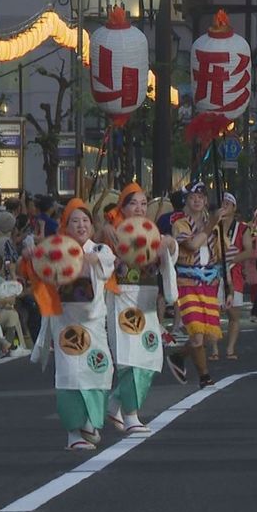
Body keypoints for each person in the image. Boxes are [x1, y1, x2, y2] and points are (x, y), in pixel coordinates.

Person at [26, 198, 116, 450]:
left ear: (92, 225)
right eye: (74, 221)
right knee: (70, 376)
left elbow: (107, 266)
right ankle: (74, 433)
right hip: (66, 323)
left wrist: (92, 260)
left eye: (85, 220)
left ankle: (89, 421)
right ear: (65, 225)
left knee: (100, 371)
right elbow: (36, 272)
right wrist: (34, 256)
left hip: (93, 323)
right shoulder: (54, 250)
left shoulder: (101, 250)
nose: (80, 225)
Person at [103, 183, 178, 435]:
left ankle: (115, 402)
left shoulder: (153, 232)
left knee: (150, 357)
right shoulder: (112, 232)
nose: (139, 208)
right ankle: (131, 414)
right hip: (122, 298)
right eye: (133, 203)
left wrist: (169, 245)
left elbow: (169, 258)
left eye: (144, 203)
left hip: (146, 300)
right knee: (129, 358)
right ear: (122, 207)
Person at [167, 183, 222, 388]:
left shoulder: (214, 224)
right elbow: (191, 246)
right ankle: (205, 377)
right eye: (192, 197)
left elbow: (221, 255)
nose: (197, 200)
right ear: (186, 201)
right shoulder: (180, 224)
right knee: (197, 335)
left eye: (201, 196)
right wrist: (211, 225)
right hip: (187, 283)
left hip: (209, 283)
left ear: (206, 201)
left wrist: (229, 287)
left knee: (208, 336)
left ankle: (179, 356)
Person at [209, 193, 251, 361]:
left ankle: (230, 348)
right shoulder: (213, 226)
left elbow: (248, 250)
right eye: (222, 203)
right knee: (214, 313)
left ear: (234, 207)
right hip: (214, 273)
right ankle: (213, 348)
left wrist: (230, 260)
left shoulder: (242, 228)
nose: (225, 206)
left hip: (234, 273)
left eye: (228, 203)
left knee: (233, 314)